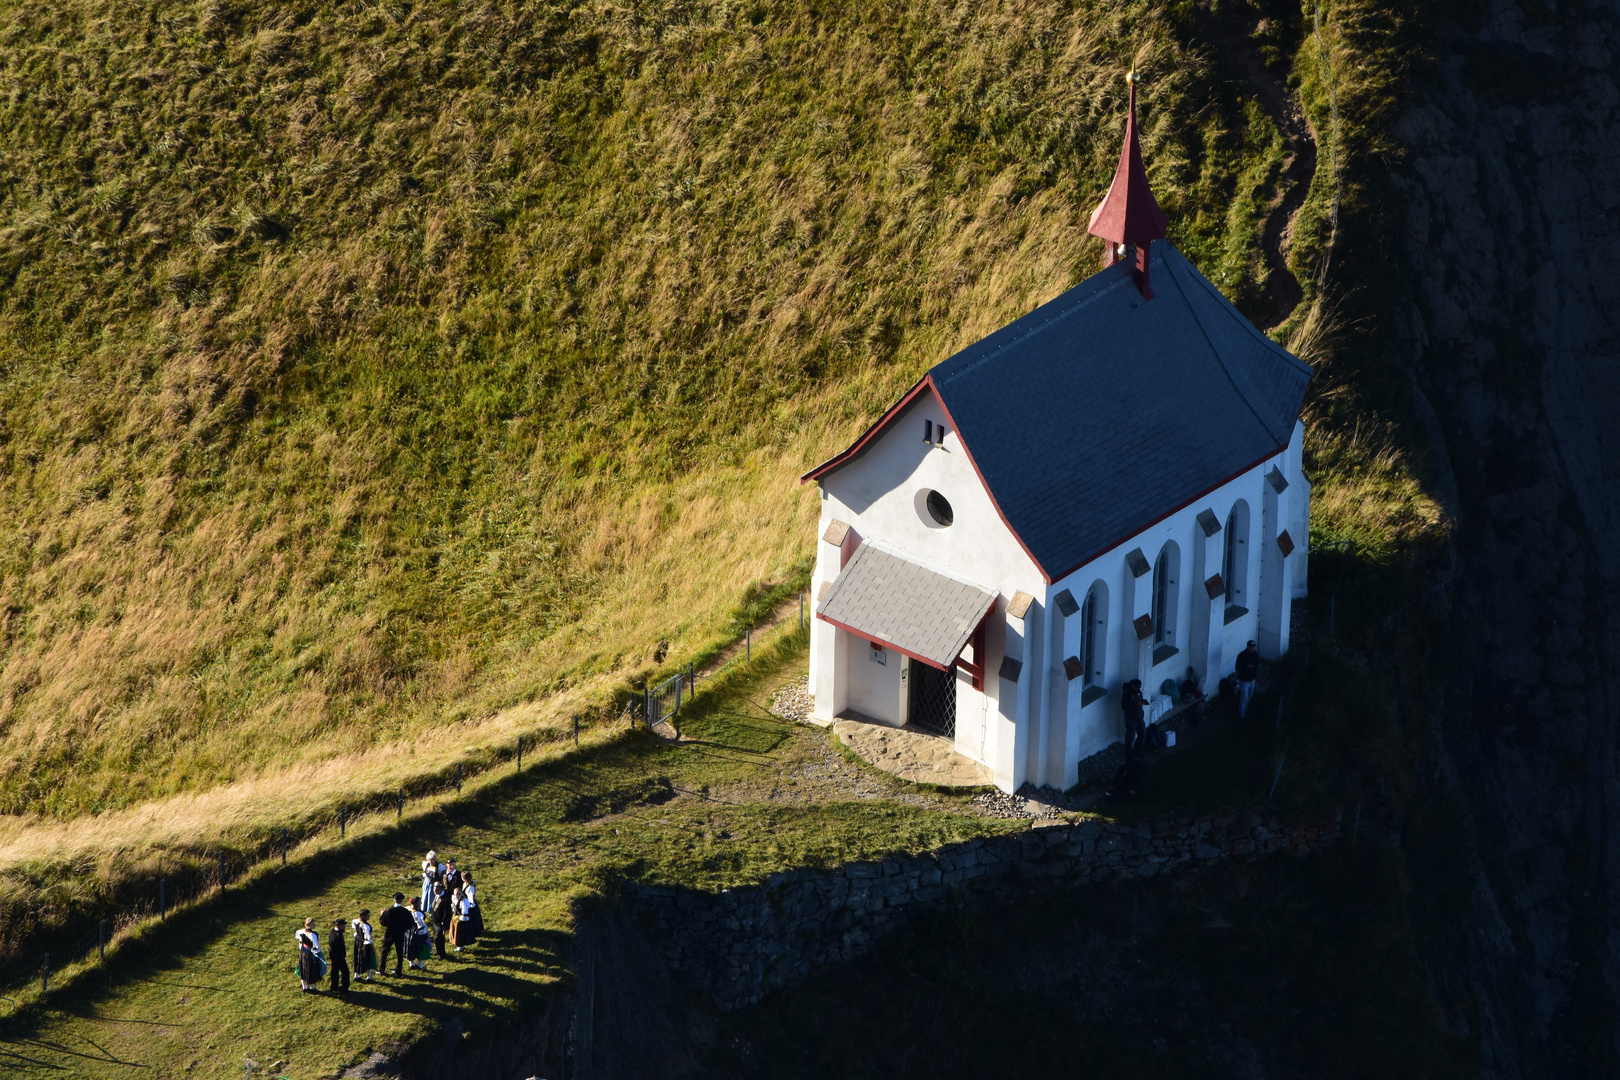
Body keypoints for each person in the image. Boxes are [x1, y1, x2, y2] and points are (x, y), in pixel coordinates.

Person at [379, 892, 414, 976]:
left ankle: (382, 969)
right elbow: (410, 924)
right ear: (402, 900)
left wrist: (382, 915)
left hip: (389, 933)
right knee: (399, 953)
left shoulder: (389, 911)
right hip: (400, 934)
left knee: (385, 951)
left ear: (394, 899)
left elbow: (383, 923)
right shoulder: (406, 912)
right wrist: (403, 929)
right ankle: (399, 971)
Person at [295, 918, 323, 993]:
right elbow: (316, 946)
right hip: (310, 953)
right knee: (312, 969)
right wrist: (318, 954)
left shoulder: (300, 931)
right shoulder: (313, 935)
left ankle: (305, 987)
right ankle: (312, 988)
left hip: (303, 951)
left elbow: (300, 942)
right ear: (308, 925)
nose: (314, 925)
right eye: (313, 924)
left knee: (303, 969)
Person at [1235, 640, 1260, 719]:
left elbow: (1257, 664)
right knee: (1244, 697)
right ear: (1247, 646)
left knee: (1250, 695)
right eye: (1250, 647)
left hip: (1252, 680)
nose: (1252, 648)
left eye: (1253, 647)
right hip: (1244, 680)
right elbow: (1237, 667)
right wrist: (1246, 667)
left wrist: (1255, 675)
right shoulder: (1242, 655)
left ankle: (1245, 710)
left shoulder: (1255, 655)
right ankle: (1241, 715)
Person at [1121, 679, 1146, 754]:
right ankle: (1128, 754)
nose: (1138, 689)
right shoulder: (1126, 694)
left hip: (1139, 716)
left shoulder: (1138, 692)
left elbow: (1141, 699)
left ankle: (1136, 750)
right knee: (1130, 737)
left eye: (1139, 687)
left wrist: (1142, 702)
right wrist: (1135, 705)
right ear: (1132, 686)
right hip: (1131, 718)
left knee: (1142, 734)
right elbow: (1124, 706)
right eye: (1137, 687)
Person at [432, 876, 454, 959]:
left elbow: (447, 913)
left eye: (437, 888)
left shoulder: (445, 899)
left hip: (441, 923)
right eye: (434, 888)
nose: (435, 890)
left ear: (441, 889)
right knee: (437, 938)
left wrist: (444, 924)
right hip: (435, 921)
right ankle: (438, 950)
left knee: (439, 938)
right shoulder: (437, 896)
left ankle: (442, 954)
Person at [352, 909, 377, 982]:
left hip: (357, 942)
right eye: (367, 916)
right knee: (368, 959)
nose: (369, 917)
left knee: (357, 957)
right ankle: (369, 977)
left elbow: (354, 928)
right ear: (362, 916)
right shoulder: (366, 926)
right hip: (365, 944)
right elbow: (368, 937)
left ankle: (356, 975)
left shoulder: (356, 921)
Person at [328, 919, 351, 992]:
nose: (344, 927)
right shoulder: (337, 936)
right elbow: (336, 946)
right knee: (345, 972)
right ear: (338, 926)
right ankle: (344, 988)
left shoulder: (333, 932)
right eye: (343, 925)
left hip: (334, 956)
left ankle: (334, 987)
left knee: (335, 971)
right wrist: (341, 955)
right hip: (338, 957)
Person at [462, 871, 484, 938]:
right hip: (468, 903)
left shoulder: (470, 887)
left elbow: (471, 898)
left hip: (471, 905)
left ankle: (474, 933)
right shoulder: (465, 884)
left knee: (472, 920)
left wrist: (469, 906)